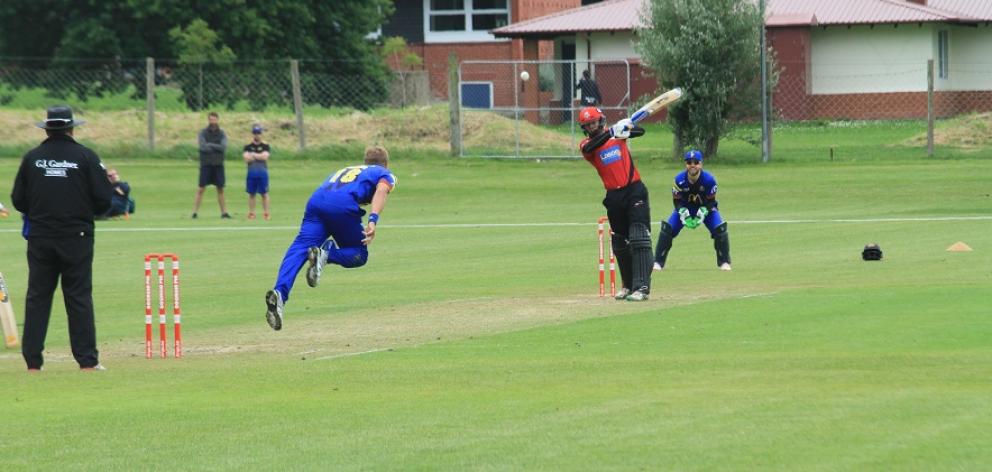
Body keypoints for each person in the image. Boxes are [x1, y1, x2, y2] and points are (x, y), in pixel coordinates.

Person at [10, 105, 112, 371]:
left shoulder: (32, 158)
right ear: (71, 127)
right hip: (75, 236)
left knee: (38, 296)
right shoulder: (85, 156)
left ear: (48, 128)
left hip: (41, 237)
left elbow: (18, 200)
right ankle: (87, 361)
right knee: (78, 296)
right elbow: (104, 200)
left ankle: (33, 362)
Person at [265, 145, 396, 330]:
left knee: (300, 247)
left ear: (364, 162)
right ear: (385, 164)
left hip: (317, 201)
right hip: (341, 205)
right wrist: (373, 220)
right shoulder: (385, 173)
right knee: (359, 254)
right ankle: (326, 254)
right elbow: (382, 190)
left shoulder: (348, 169)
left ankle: (279, 294)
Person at [578, 107, 653, 301]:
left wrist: (626, 127)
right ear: (584, 128)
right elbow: (590, 148)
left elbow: (640, 132)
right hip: (613, 196)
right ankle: (627, 286)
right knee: (620, 242)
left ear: (600, 121)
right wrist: (612, 133)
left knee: (638, 237)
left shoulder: (618, 135)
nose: (592, 126)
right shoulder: (587, 145)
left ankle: (642, 287)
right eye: (588, 124)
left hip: (634, 190)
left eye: (594, 122)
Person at [654, 150, 732, 272]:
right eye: (689, 162)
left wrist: (703, 212)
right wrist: (683, 212)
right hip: (685, 209)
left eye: (696, 162)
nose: (692, 165)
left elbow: (711, 201)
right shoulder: (679, 180)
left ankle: (725, 262)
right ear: (686, 164)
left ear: (701, 164)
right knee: (667, 229)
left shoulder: (709, 180)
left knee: (720, 230)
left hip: (706, 209)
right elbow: (676, 201)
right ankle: (658, 262)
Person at [192, 111, 231, 219]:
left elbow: (223, 147)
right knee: (201, 188)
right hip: (206, 164)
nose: (212, 121)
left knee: (220, 188)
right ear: (208, 120)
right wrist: (215, 147)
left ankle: (224, 212)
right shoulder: (203, 133)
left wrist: (210, 145)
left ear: (217, 120)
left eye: (214, 119)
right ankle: (194, 212)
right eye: (211, 119)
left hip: (218, 164)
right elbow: (203, 147)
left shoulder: (222, 133)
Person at [242, 124, 271, 220]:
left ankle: (266, 213)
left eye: (258, 133)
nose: (257, 135)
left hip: (262, 172)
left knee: (264, 193)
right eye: (255, 133)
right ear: (252, 134)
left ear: (261, 134)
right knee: (251, 193)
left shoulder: (265, 145)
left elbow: (265, 157)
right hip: (251, 173)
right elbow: (246, 158)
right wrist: (259, 156)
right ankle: (251, 213)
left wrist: (253, 155)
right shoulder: (247, 146)